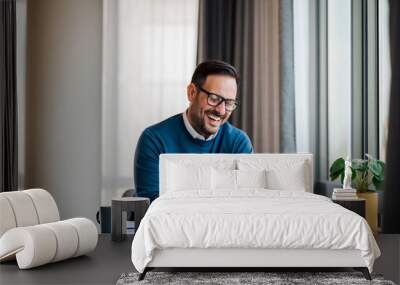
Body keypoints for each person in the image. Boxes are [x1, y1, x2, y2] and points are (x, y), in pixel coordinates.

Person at [134, 60, 253, 201]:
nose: (221, 111)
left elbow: (244, 203)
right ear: (191, 93)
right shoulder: (154, 140)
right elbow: (154, 209)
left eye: (228, 103)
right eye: (214, 99)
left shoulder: (238, 143)